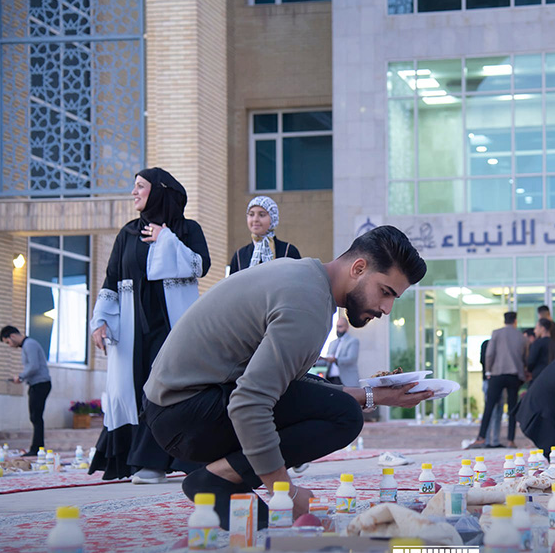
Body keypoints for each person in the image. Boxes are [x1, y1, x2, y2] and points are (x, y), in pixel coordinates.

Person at [143, 226, 433, 527]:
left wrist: (376, 395)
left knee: (337, 404)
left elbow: (292, 386)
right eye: (385, 292)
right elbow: (249, 402)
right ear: (358, 268)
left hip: (180, 407)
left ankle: (219, 479)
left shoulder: (307, 280)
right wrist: (286, 492)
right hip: (184, 414)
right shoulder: (307, 305)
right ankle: (218, 478)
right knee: (344, 416)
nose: (386, 308)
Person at [89, 167, 211, 483]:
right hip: (133, 327)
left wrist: (165, 239)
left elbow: (201, 266)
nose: (134, 192)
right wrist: (100, 320)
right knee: (132, 389)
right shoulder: (128, 233)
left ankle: (153, 462)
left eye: (140, 186)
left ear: (158, 191)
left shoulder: (186, 229)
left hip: (172, 326)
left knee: (165, 388)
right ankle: (137, 460)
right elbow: (112, 277)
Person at [468, 312, 525, 449]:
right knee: (512, 409)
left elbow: (489, 354)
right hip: (513, 375)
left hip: (497, 374)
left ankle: (481, 437)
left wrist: (488, 371)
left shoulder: (496, 333)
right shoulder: (521, 336)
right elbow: (524, 357)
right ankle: (511, 440)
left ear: (504, 321)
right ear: (515, 321)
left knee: (489, 406)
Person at [0, 326, 51, 456]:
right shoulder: (27, 345)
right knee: (35, 417)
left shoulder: (29, 344)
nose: (10, 345)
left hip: (40, 384)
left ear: (12, 336)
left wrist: (21, 376)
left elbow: (34, 366)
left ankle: (36, 449)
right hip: (36, 384)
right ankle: (37, 448)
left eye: (8, 342)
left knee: (36, 417)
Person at [228, 196, 301, 275]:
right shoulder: (240, 255)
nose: (255, 219)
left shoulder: (288, 250)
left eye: (262, 215)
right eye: (251, 214)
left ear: (273, 218)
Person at [318, 315, 360, 387]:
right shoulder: (332, 343)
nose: (338, 329)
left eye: (340, 326)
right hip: (331, 380)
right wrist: (317, 360)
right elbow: (327, 361)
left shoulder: (353, 341)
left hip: (346, 381)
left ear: (347, 327)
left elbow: (351, 359)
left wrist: (335, 360)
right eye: (337, 326)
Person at [526, 318, 554, 384]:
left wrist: (528, 370)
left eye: (536, 328)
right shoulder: (554, 344)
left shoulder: (538, 343)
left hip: (538, 375)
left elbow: (531, 361)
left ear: (542, 328)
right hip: (551, 375)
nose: (534, 331)